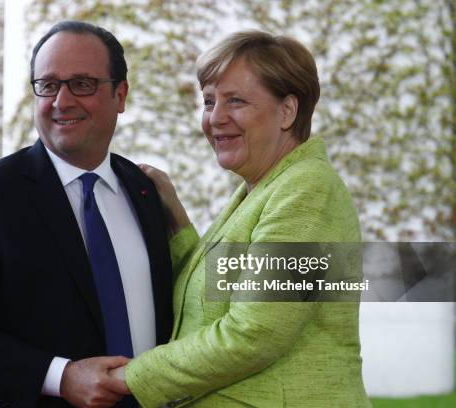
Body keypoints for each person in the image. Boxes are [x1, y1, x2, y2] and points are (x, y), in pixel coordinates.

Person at [112, 30, 371, 407]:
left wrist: (130, 377)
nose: (215, 118)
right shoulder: (262, 188)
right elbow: (215, 294)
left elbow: (255, 332)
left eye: (235, 101)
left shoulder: (307, 188)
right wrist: (177, 220)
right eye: (208, 102)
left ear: (287, 111)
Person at [0, 20, 173, 408]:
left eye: (82, 84)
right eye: (49, 85)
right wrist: (60, 376)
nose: (62, 101)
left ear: (120, 95)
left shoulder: (145, 190)